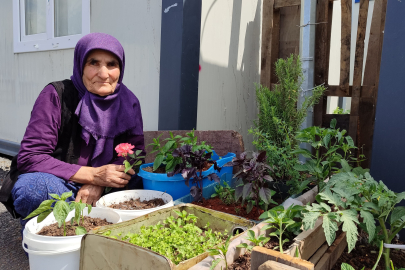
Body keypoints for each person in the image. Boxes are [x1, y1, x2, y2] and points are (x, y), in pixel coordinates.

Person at [0, 33, 145, 227]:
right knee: (32, 189)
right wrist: (92, 175)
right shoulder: (56, 95)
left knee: (143, 183)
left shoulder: (128, 102)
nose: (104, 74)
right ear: (80, 65)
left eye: (112, 64)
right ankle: (71, 226)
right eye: (93, 63)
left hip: (106, 185)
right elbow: (31, 156)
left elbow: (135, 152)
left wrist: (99, 183)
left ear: (120, 68)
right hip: (61, 183)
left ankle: (80, 220)